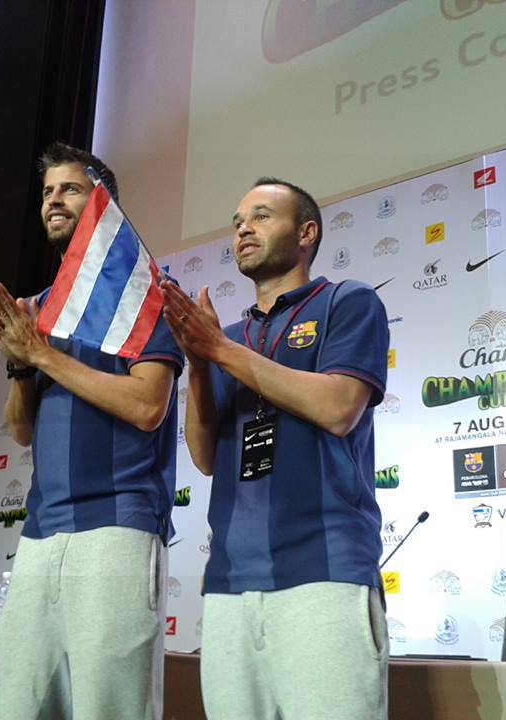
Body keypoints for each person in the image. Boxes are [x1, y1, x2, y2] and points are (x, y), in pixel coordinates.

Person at [161, 177, 390, 720]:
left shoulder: (347, 301)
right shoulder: (229, 335)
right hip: (230, 581)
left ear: (306, 233)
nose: (243, 229)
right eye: (238, 221)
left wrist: (219, 350)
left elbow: (339, 407)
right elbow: (205, 456)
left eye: (262, 216)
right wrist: (199, 364)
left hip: (324, 571)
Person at [0, 142, 183, 720]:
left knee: (110, 709)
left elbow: (148, 406)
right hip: (40, 533)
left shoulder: (149, 292)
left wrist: (42, 356)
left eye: (69, 189)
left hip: (116, 525)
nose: (53, 201)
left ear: (103, 205)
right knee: (21, 707)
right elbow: (21, 430)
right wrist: (21, 365)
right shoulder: (39, 309)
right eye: (47, 192)